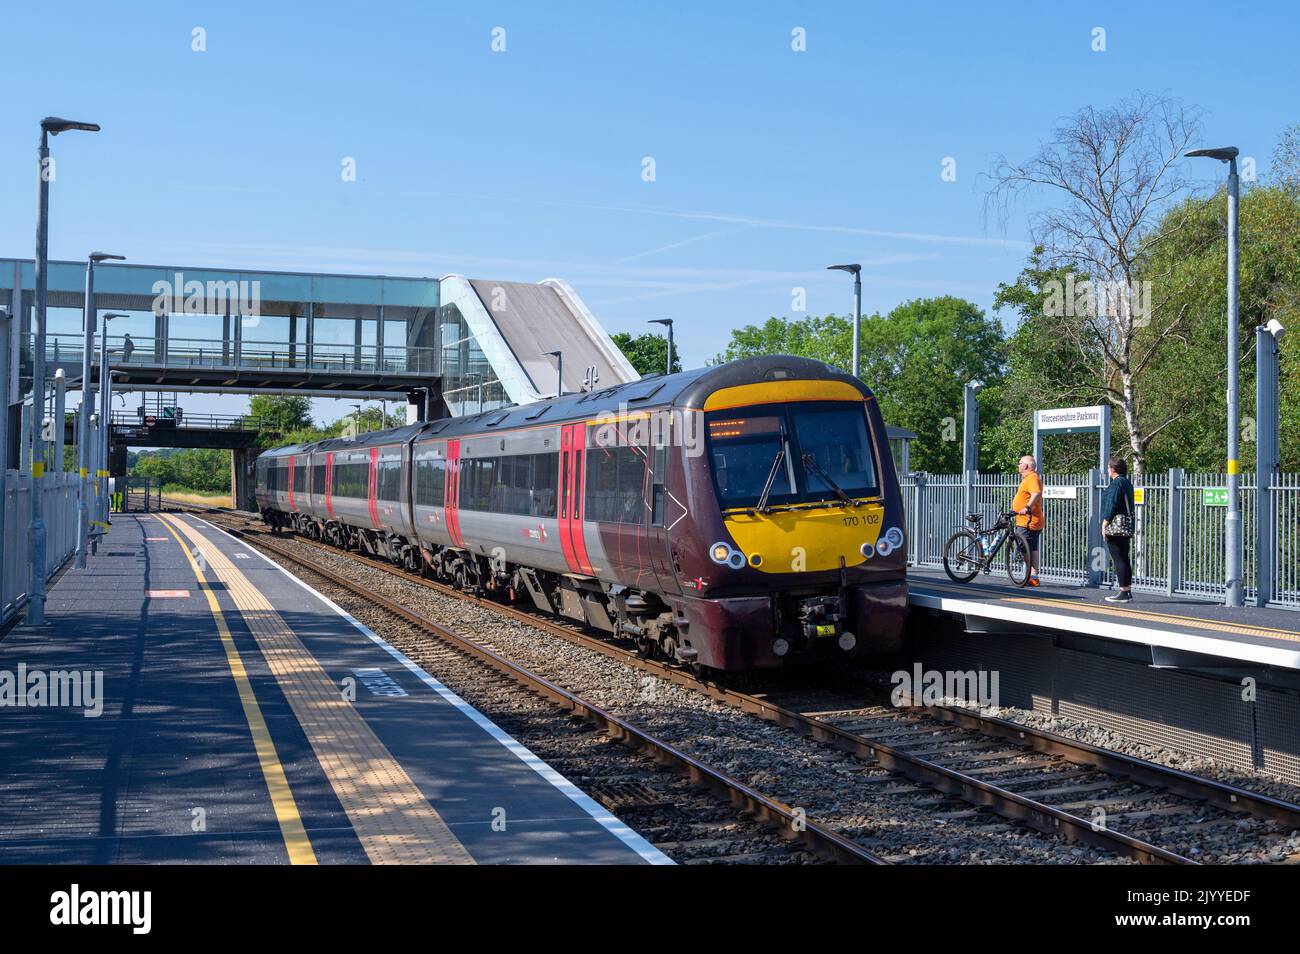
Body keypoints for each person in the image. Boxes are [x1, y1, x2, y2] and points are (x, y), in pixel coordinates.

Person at [1101, 456, 1135, 603]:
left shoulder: (1116, 484)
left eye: (1108, 468)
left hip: (1116, 526)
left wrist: (1104, 524)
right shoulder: (1127, 482)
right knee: (1124, 558)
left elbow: (1111, 505)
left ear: (1113, 469)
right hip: (1126, 525)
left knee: (1118, 558)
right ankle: (1127, 591)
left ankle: (1123, 592)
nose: (1107, 470)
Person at [1012, 455, 1044, 586]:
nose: (1018, 465)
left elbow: (1036, 493)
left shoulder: (1032, 478)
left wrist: (1027, 507)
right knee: (1032, 548)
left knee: (1024, 547)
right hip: (1029, 520)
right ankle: (1033, 576)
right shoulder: (1028, 478)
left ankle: (1032, 574)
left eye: (1020, 463)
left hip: (1028, 521)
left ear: (1026, 466)